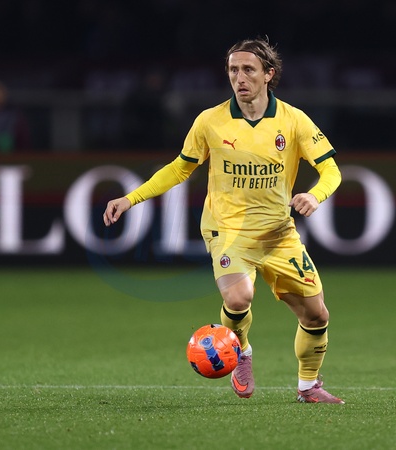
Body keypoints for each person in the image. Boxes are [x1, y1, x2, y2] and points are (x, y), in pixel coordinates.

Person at [103, 38, 344, 404]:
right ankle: (241, 352)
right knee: (239, 295)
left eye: (248, 69)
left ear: (269, 74)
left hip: (278, 233)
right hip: (227, 229)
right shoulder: (210, 121)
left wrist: (314, 195)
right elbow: (179, 168)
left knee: (316, 315)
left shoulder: (293, 120)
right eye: (233, 70)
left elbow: (331, 171)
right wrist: (130, 198)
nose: (239, 77)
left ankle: (308, 386)